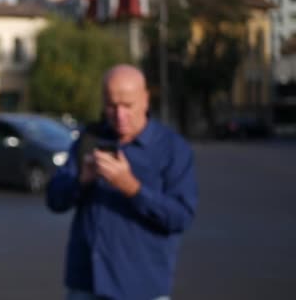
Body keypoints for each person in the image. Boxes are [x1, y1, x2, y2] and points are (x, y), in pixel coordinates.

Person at [46, 64, 198, 300]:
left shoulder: (172, 149)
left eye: (128, 105)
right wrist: (81, 181)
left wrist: (132, 188)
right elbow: (54, 199)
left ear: (146, 100)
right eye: (111, 106)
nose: (119, 115)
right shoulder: (90, 139)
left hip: (140, 288)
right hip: (86, 286)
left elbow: (180, 217)